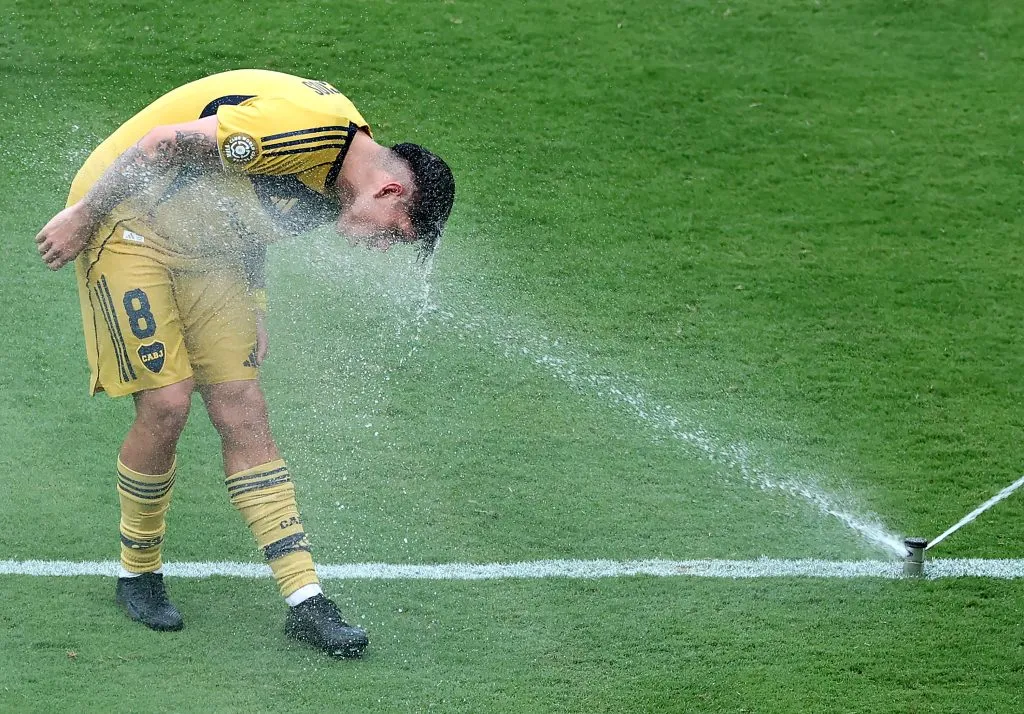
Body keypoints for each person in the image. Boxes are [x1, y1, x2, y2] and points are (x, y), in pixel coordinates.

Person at [34, 69, 455, 658]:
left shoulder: (336, 182)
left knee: (244, 409)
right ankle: (139, 571)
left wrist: (254, 302)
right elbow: (159, 146)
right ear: (389, 192)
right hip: (124, 218)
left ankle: (306, 600)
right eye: (399, 235)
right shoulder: (300, 134)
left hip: (207, 251)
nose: (384, 248)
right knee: (167, 403)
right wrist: (84, 215)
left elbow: (246, 212)